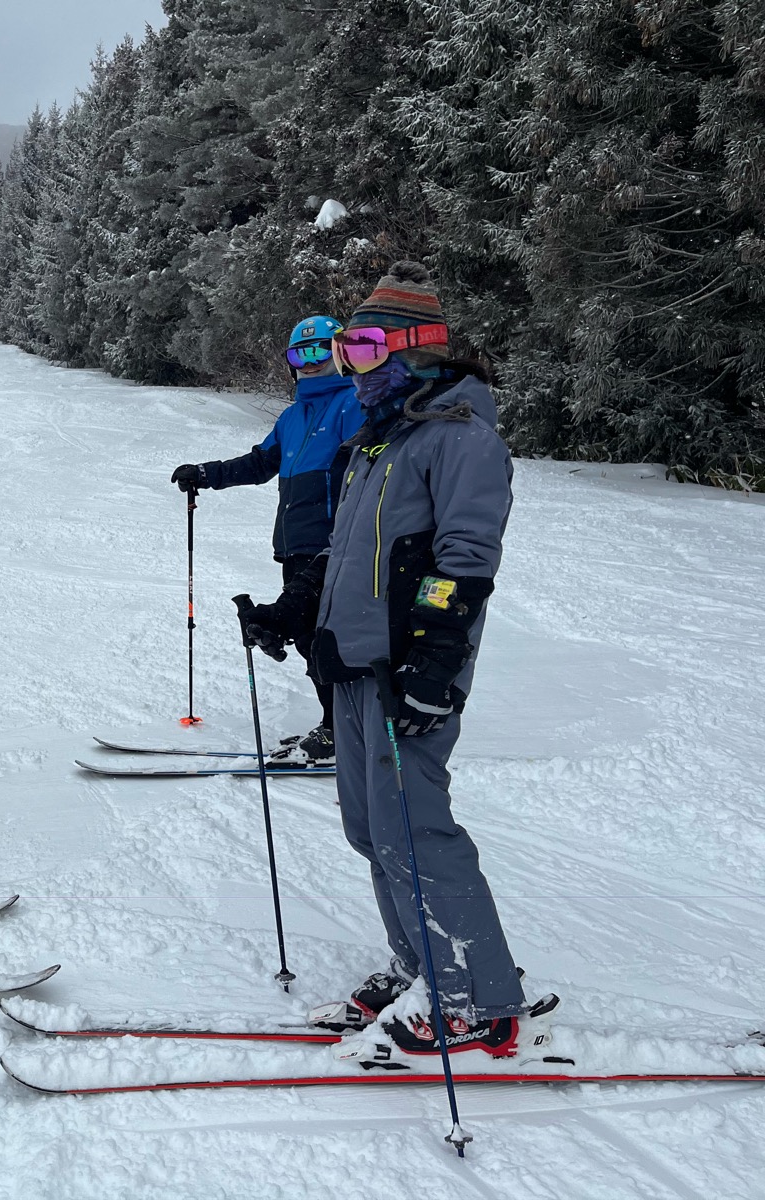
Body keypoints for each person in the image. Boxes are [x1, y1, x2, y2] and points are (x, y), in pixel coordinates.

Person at [237, 261, 535, 1058]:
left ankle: (477, 1000)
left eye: (365, 346)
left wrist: (434, 662)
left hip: (409, 670)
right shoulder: (378, 439)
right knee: (372, 830)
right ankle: (422, 966)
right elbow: (343, 549)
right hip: (356, 663)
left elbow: (463, 561)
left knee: (416, 831)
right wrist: (295, 609)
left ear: (415, 347)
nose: (351, 362)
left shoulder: (460, 440)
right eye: (347, 347)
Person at [171, 315, 362, 766]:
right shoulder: (293, 417)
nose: (310, 362)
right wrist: (206, 474)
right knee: (307, 639)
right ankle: (335, 724)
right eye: (300, 353)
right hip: (294, 544)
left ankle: (345, 730)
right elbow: (261, 464)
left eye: (319, 350)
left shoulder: (354, 404)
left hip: (335, 545)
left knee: (328, 639)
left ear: (340, 352)